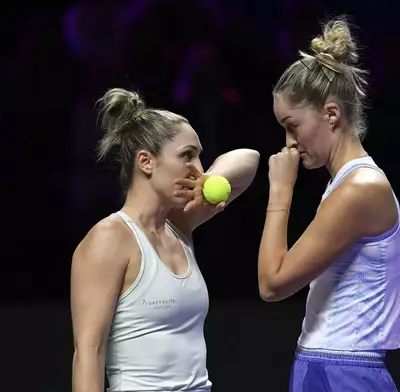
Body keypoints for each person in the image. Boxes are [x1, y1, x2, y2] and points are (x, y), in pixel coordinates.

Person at [70, 87, 259, 392]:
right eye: (187, 156)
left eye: (199, 156)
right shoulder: (109, 239)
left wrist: (211, 181)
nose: (197, 169)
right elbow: (88, 354)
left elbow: (249, 160)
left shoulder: (179, 225)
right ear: (146, 162)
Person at [257, 17, 400, 391]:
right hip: (323, 365)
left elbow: (272, 283)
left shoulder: (360, 189)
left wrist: (280, 191)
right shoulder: (345, 185)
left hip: (344, 372)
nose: (289, 142)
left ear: (331, 114)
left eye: (293, 125)